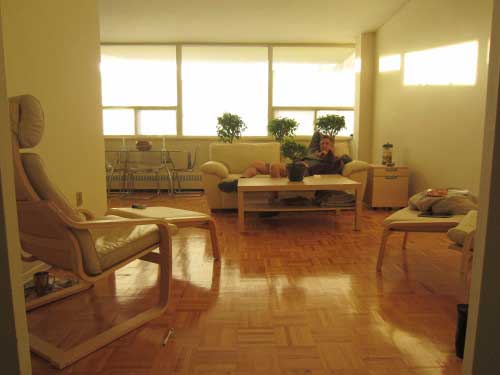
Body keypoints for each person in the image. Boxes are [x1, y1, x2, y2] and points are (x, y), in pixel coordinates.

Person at [217, 135, 344, 193]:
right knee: (255, 164)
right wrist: (315, 153)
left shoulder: (333, 159)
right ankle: (238, 184)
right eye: (322, 143)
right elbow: (315, 137)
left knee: (275, 166)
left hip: (303, 171)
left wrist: (329, 154)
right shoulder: (312, 152)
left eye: (327, 143)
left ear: (332, 146)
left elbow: (341, 163)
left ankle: (274, 201)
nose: (323, 145)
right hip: (293, 165)